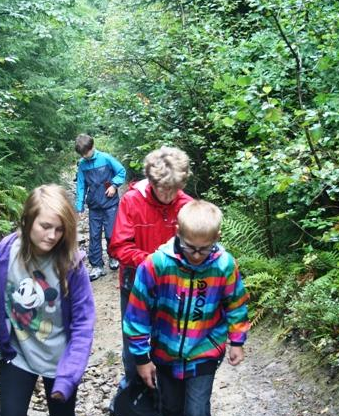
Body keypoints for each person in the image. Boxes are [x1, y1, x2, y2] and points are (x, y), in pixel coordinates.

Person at [0, 184, 96, 416]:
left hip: (60, 362)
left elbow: (83, 324)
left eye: (59, 229)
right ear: (27, 221)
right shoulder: (2, 256)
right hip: (18, 355)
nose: (52, 236)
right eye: (45, 226)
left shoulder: (71, 265)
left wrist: (68, 376)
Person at [123, 200, 250, 416]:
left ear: (217, 237)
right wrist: (142, 358)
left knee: (197, 410)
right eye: (190, 247)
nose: (197, 255)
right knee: (171, 408)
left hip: (205, 350)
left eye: (204, 248)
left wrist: (237, 341)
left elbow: (235, 304)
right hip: (165, 351)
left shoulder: (224, 266)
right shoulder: (156, 265)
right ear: (178, 232)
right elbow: (138, 314)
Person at [108, 146, 193, 396]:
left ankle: (171, 402)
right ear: (151, 181)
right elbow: (118, 246)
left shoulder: (187, 206)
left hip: (175, 291)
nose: (168, 195)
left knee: (173, 348)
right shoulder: (132, 200)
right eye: (162, 188)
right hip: (135, 285)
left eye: (174, 189)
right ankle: (135, 399)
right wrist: (154, 262)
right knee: (135, 347)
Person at [74, 133, 126, 281]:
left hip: (110, 203)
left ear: (92, 147)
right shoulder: (82, 165)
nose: (85, 156)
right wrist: (79, 206)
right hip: (94, 205)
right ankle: (97, 265)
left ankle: (113, 257)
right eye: (82, 154)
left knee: (111, 233)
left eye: (86, 152)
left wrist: (114, 186)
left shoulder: (106, 158)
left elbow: (121, 171)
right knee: (94, 236)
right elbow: (81, 186)